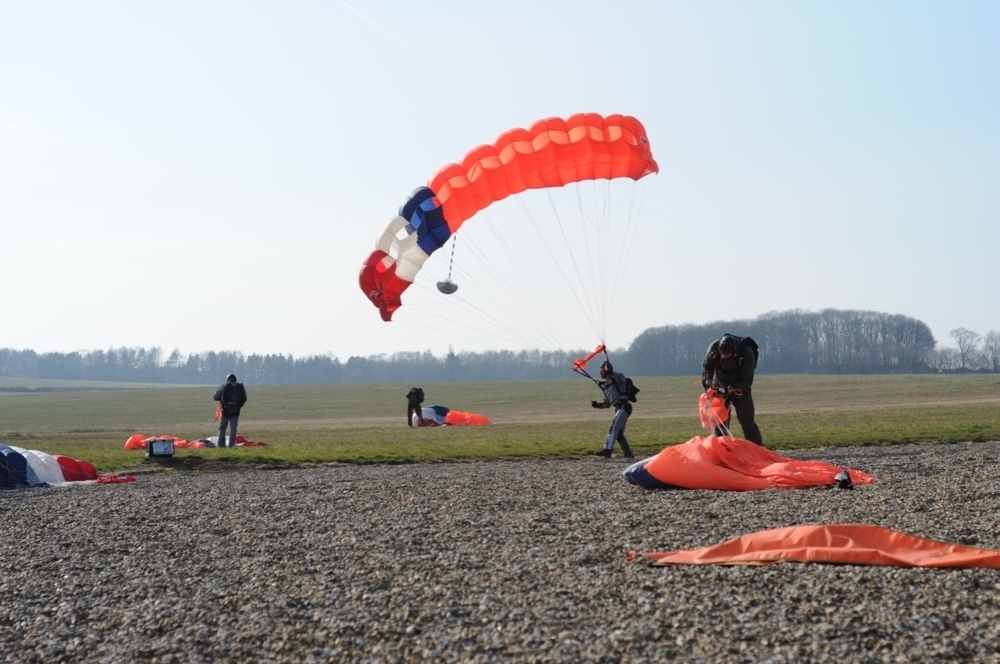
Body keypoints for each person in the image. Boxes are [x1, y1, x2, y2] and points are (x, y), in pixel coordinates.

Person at [701, 333, 763, 446]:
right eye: (722, 354)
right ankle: (722, 451)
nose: (724, 356)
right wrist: (710, 387)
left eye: (727, 354)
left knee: (748, 422)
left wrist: (732, 390)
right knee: (720, 424)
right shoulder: (714, 349)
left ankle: (757, 450)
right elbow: (707, 369)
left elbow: (747, 379)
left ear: (734, 351)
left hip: (740, 390)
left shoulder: (746, 353)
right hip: (719, 388)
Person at [590, 360, 634, 459]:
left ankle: (607, 450)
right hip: (618, 408)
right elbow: (607, 404)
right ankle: (628, 454)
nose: (600, 373)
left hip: (624, 406)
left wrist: (611, 372)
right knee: (618, 433)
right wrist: (597, 405)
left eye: (602, 371)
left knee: (613, 428)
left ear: (607, 370)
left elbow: (622, 377)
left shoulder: (618, 378)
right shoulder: (606, 386)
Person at [213, 373, 248, 448]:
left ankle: (221, 446)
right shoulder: (240, 386)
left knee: (222, 428)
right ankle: (232, 446)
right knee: (233, 429)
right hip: (236, 411)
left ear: (227, 379)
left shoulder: (225, 386)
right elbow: (244, 399)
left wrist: (224, 401)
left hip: (225, 411)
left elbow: (215, 397)